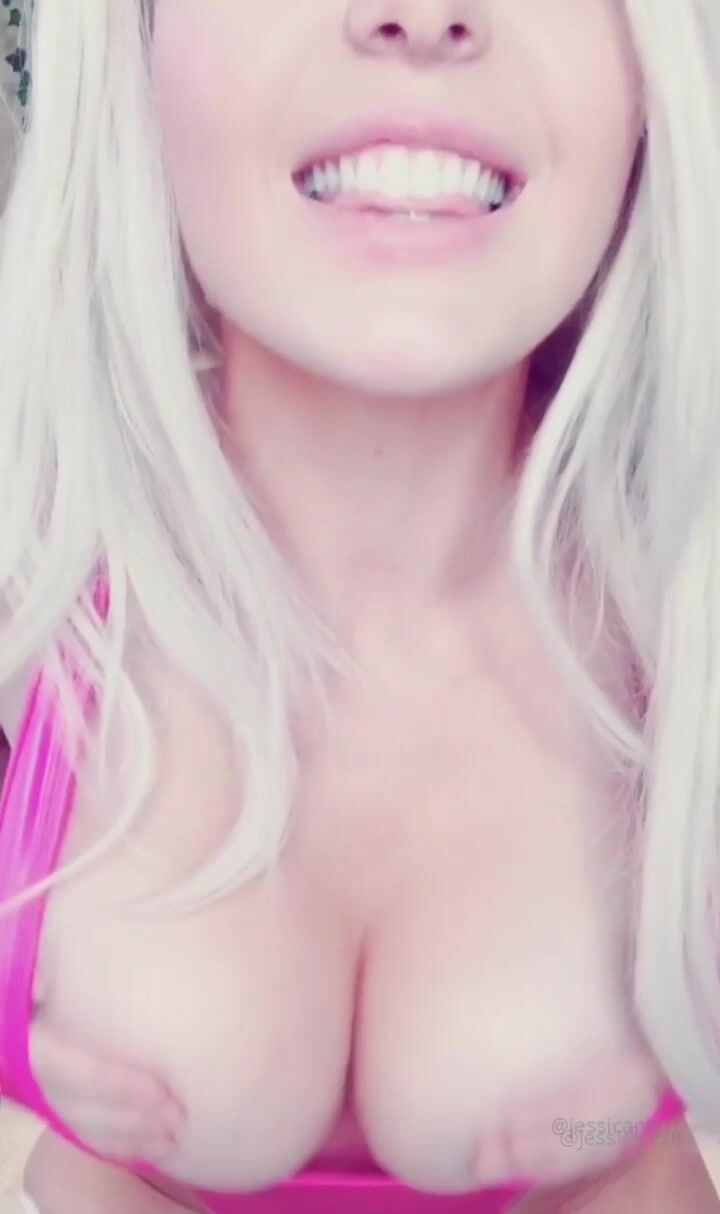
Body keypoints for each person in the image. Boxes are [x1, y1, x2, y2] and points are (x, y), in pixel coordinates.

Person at [0, 1, 719, 1211]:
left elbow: (661, 1120)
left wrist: (598, 1123)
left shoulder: (687, 633)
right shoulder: (32, 584)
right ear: (129, 38)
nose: (422, 16)